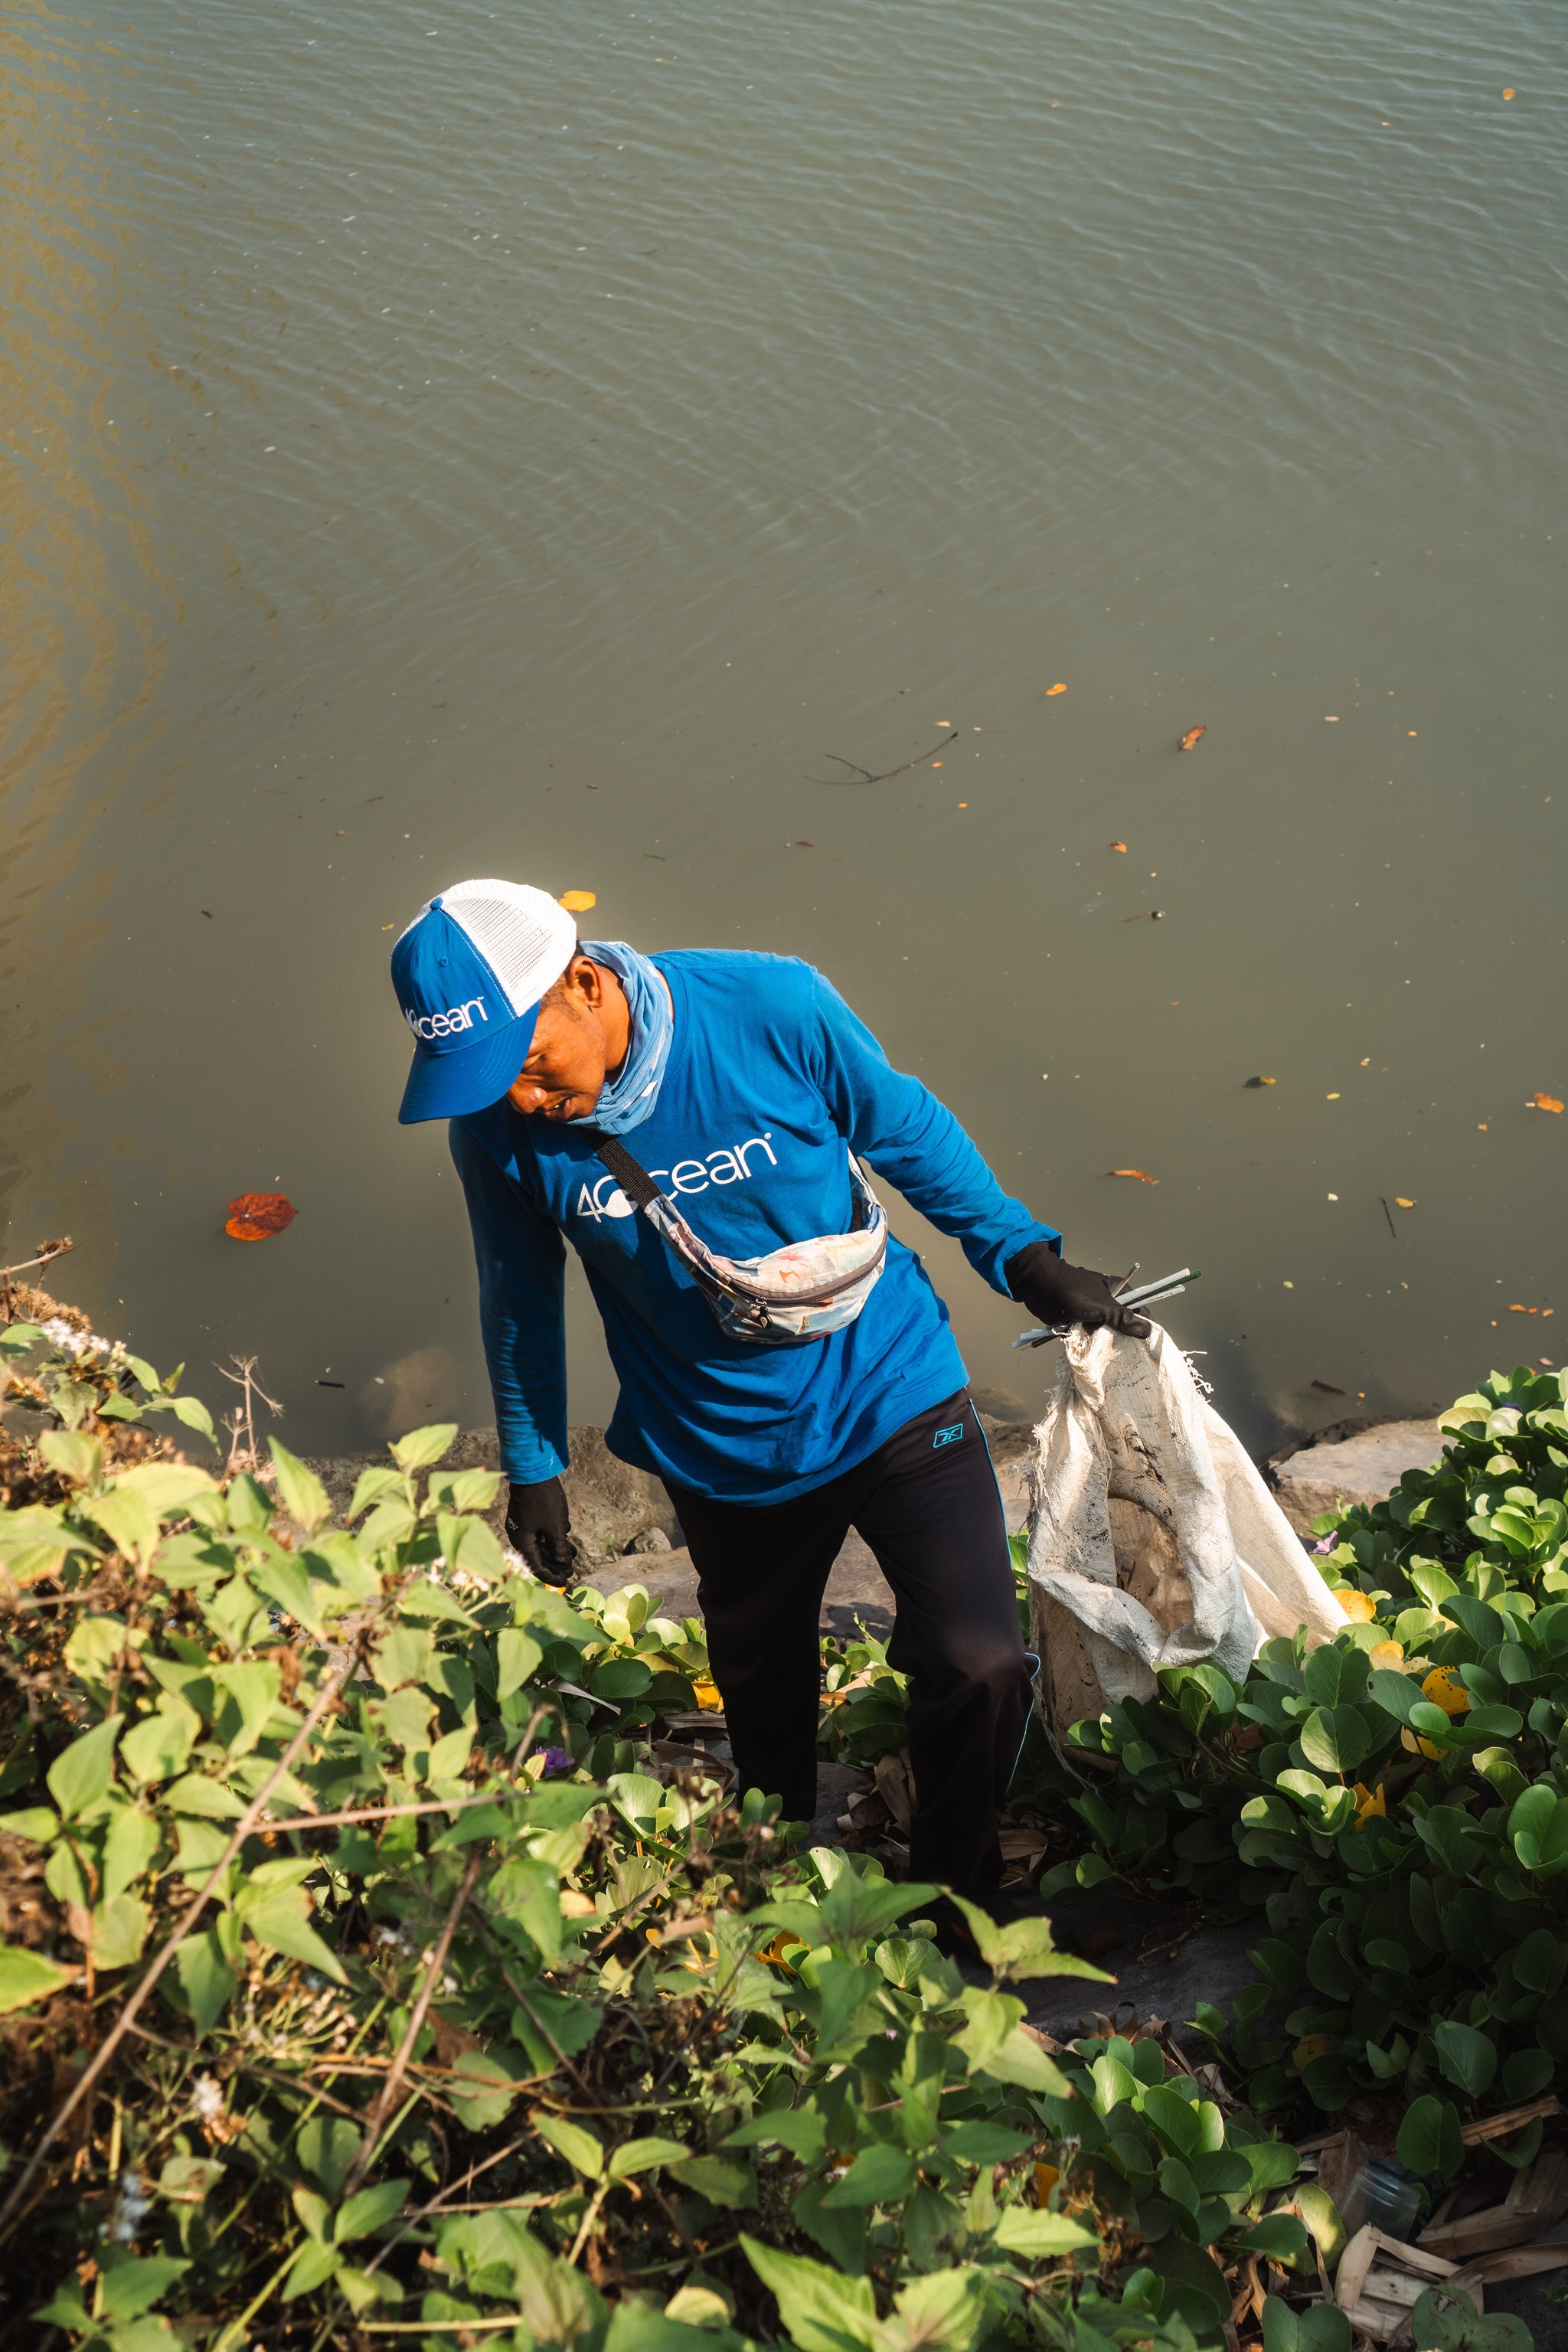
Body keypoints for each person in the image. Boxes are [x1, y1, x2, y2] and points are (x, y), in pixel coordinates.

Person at [390, 878, 1148, 1903]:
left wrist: (1022, 1257)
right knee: (764, 1697)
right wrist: (535, 1467)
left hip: (889, 1386)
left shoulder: (769, 1009)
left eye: (526, 1063)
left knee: (981, 1665)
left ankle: (952, 1902)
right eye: (488, 1081)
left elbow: (905, 1129)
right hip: (720, 1446)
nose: (520, 1100)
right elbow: (517, 1291)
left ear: (582, 983)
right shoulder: (494, 1128)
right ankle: (779, 1889)